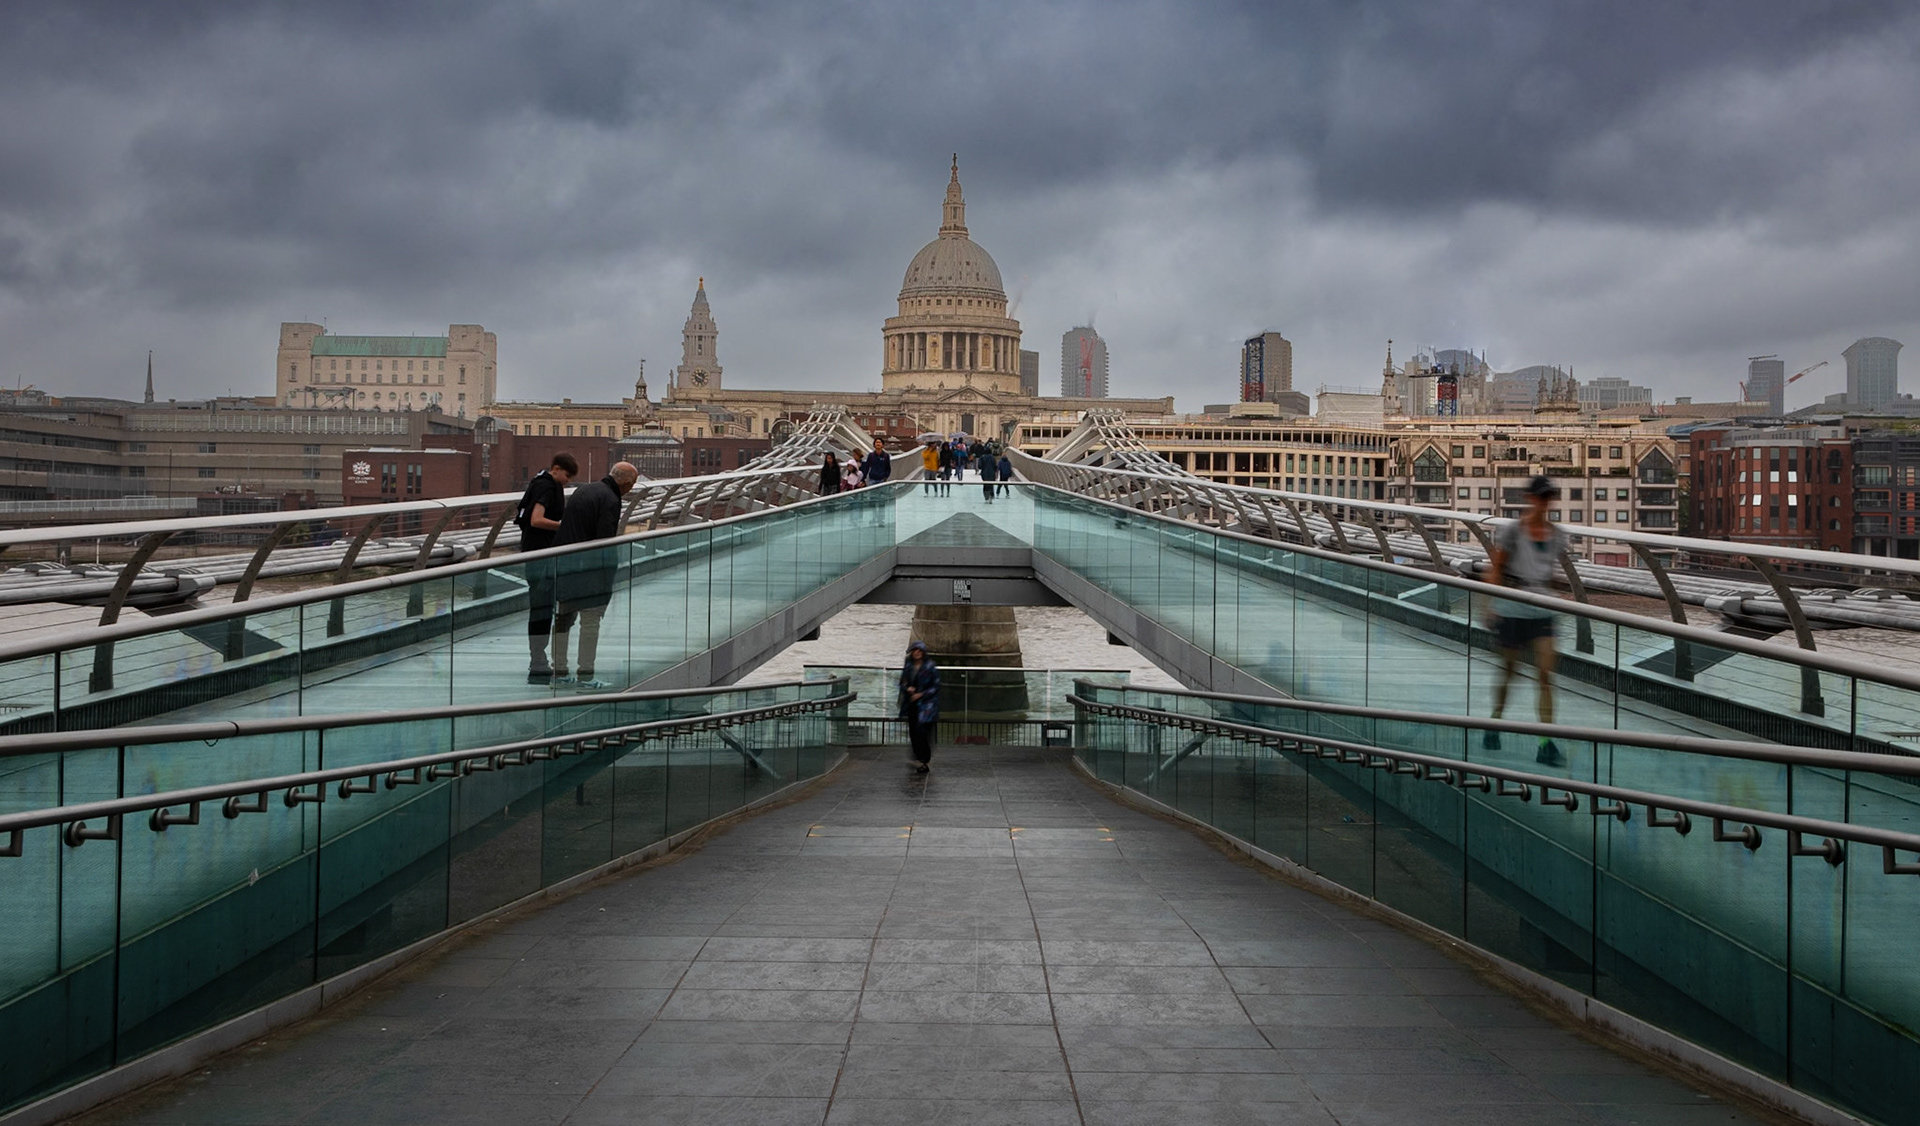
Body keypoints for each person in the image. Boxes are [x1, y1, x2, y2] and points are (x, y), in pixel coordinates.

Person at [1485, 474, 1571, 766]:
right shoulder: (1513, 532)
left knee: (1545, 675)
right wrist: (1488, 606)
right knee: (1509, 671)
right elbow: (1496, 568)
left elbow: (1548, 574)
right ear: (1531, 498)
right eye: (1542, 497)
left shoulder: (1557, 535)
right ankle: (1495, 722)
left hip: (1542, 611)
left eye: (1550, 498)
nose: (1546, 503)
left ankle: (1545, 743)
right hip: (1512, 609)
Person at [550, 461, 640, 691]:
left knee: (563, 619)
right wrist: (606, 576)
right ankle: (585, 675)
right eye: (633, 484)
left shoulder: (585, 489)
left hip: (565, 564)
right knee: (590, 623)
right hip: (589, 572)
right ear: (626, 483)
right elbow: (604, 541)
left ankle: (559, 671)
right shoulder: (610, 499)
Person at [514, 452, 577, 683]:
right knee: (541, 609)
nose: (567, 481)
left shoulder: (539, 482)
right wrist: (562, 526)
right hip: (541, 556)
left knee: (541, 608)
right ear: (557, 468)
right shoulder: (547, 487)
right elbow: (536, 519)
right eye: (567, 476)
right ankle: (538, 661)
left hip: (536, 554)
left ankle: (539, 659)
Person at [898, 639, 940, 773]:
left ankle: (925, 761)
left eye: (919, 651)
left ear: (923, 653)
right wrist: (907, 688)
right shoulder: (909, 666)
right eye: (914, 650)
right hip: (912, 705)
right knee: (913, 733)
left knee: (922, 733)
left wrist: (921, 694)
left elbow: (936, 686)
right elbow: (901, 683)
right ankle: (920, 758)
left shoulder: (930, 667)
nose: (917, 653)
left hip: (927, 706)